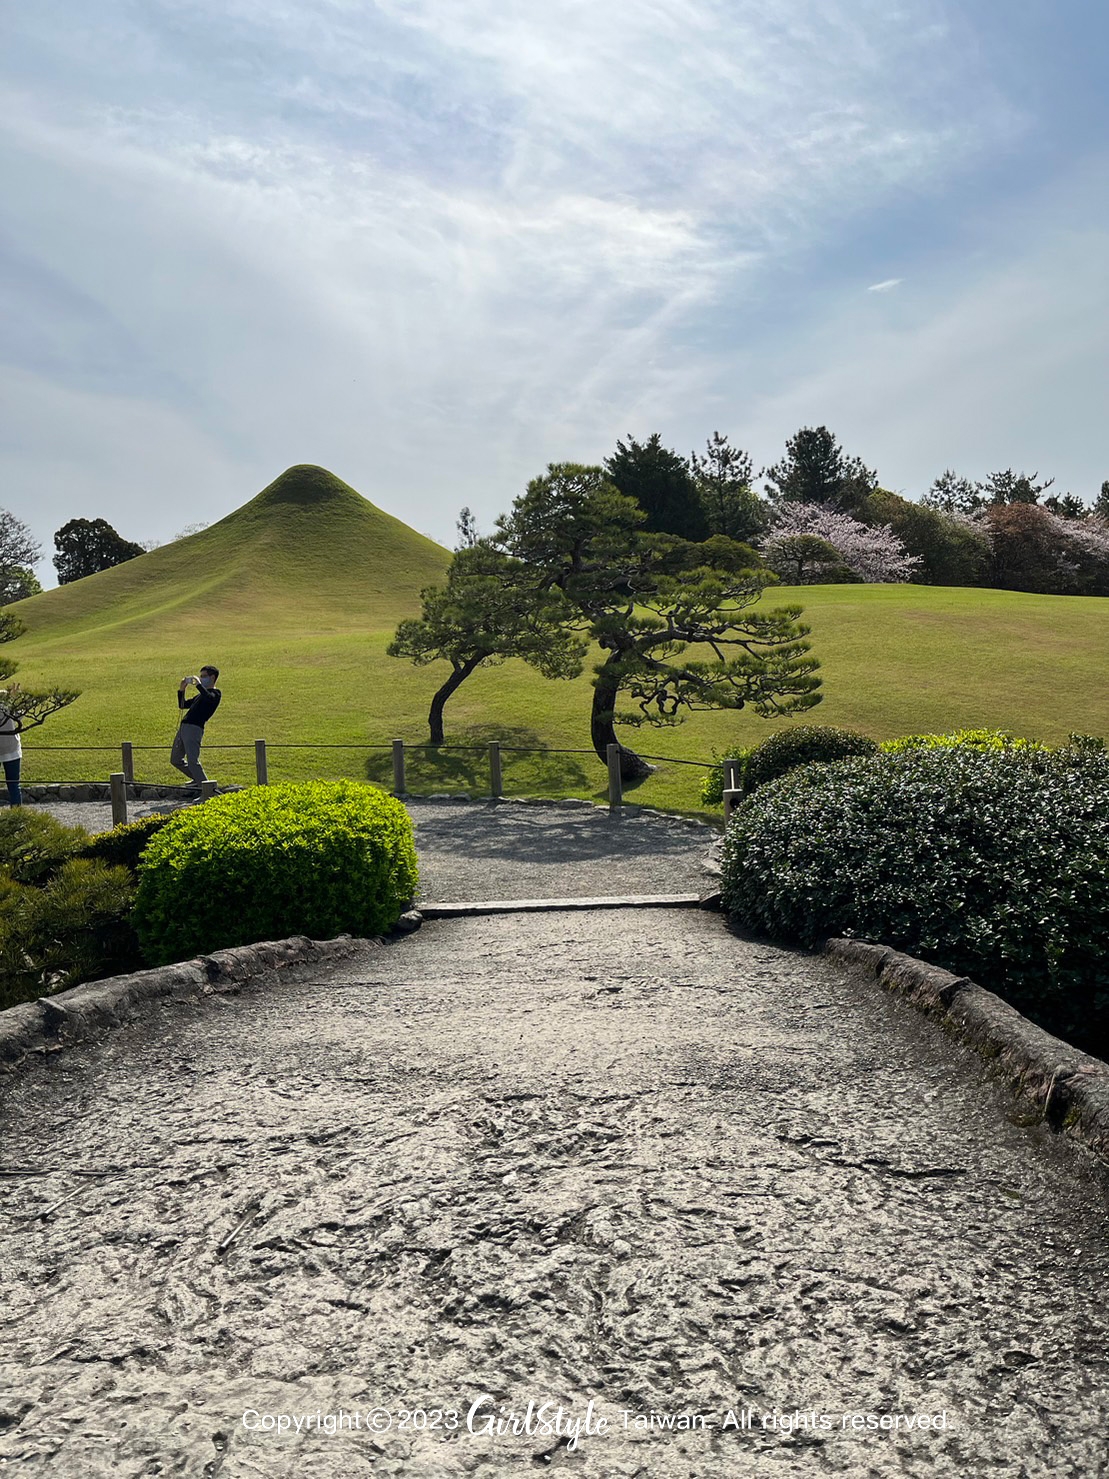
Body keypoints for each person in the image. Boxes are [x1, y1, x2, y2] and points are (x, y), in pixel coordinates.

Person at [171, 665, 221, 788]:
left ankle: (208, 790)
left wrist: (198, 685)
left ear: (212, 677)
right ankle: (198, 780)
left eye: (204, 676)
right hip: (184, 728)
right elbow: (183, 705)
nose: (201, 678)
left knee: (193, 761)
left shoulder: (215, 694)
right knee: (175, 759)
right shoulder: (200, 696)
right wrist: (182, 690)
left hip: (194, 729)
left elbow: (209, 698)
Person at [0, 686, 22, 807]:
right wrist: (17, 698)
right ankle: (17, 816)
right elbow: (20, 717)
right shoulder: (7, 701)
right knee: (14, 785)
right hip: (12, 748)